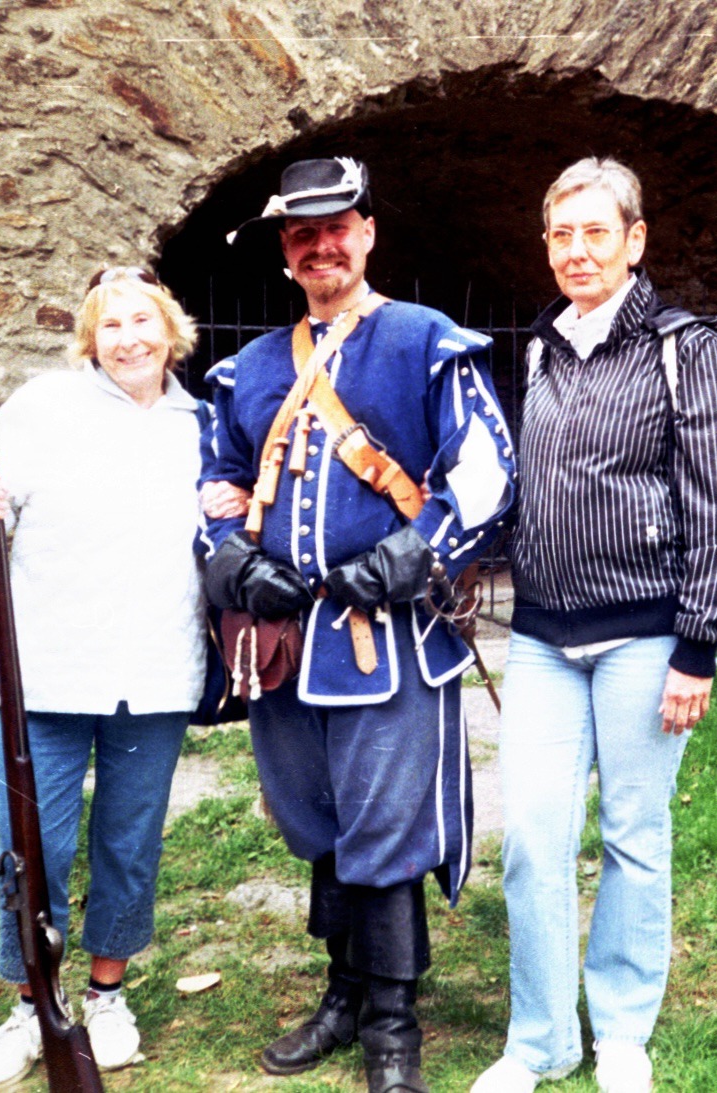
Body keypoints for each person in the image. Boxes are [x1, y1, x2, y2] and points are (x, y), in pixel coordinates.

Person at [199, 157, 516, 1093]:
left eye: (335, 226)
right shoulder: (250, 370)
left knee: (384, 829)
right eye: (301, 234)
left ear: (368, 232)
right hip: (287, 645)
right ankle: (342, 994)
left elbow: (488, 469)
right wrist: (228, 555)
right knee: (320, 825)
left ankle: (391, 1026)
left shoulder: (423, 341)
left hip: (388, 641)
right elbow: (209, 480)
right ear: (286, 251)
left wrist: (416, 552)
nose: (319, 245)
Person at [472, 157, 717, 1093]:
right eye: (561, 234)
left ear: (635, 242)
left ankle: (622, 1029)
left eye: (597, 231)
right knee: (532, 837)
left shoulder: (683, 349)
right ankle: (540, 1041)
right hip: (544, 637)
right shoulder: (542, 346)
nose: (577, 250)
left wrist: (697, 647)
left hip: (644, 635)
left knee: (635, 831)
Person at [0, 267, 206, 1089]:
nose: (129, 338)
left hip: (155, 670)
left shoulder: (201, 423)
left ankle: (106, 993)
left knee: (128, 845)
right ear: (88, 340)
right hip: (47, 670)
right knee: (30, 850)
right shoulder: (41, 409)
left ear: (171, 327)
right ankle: (30, 1005)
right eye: (110, 325)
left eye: (143, 320)